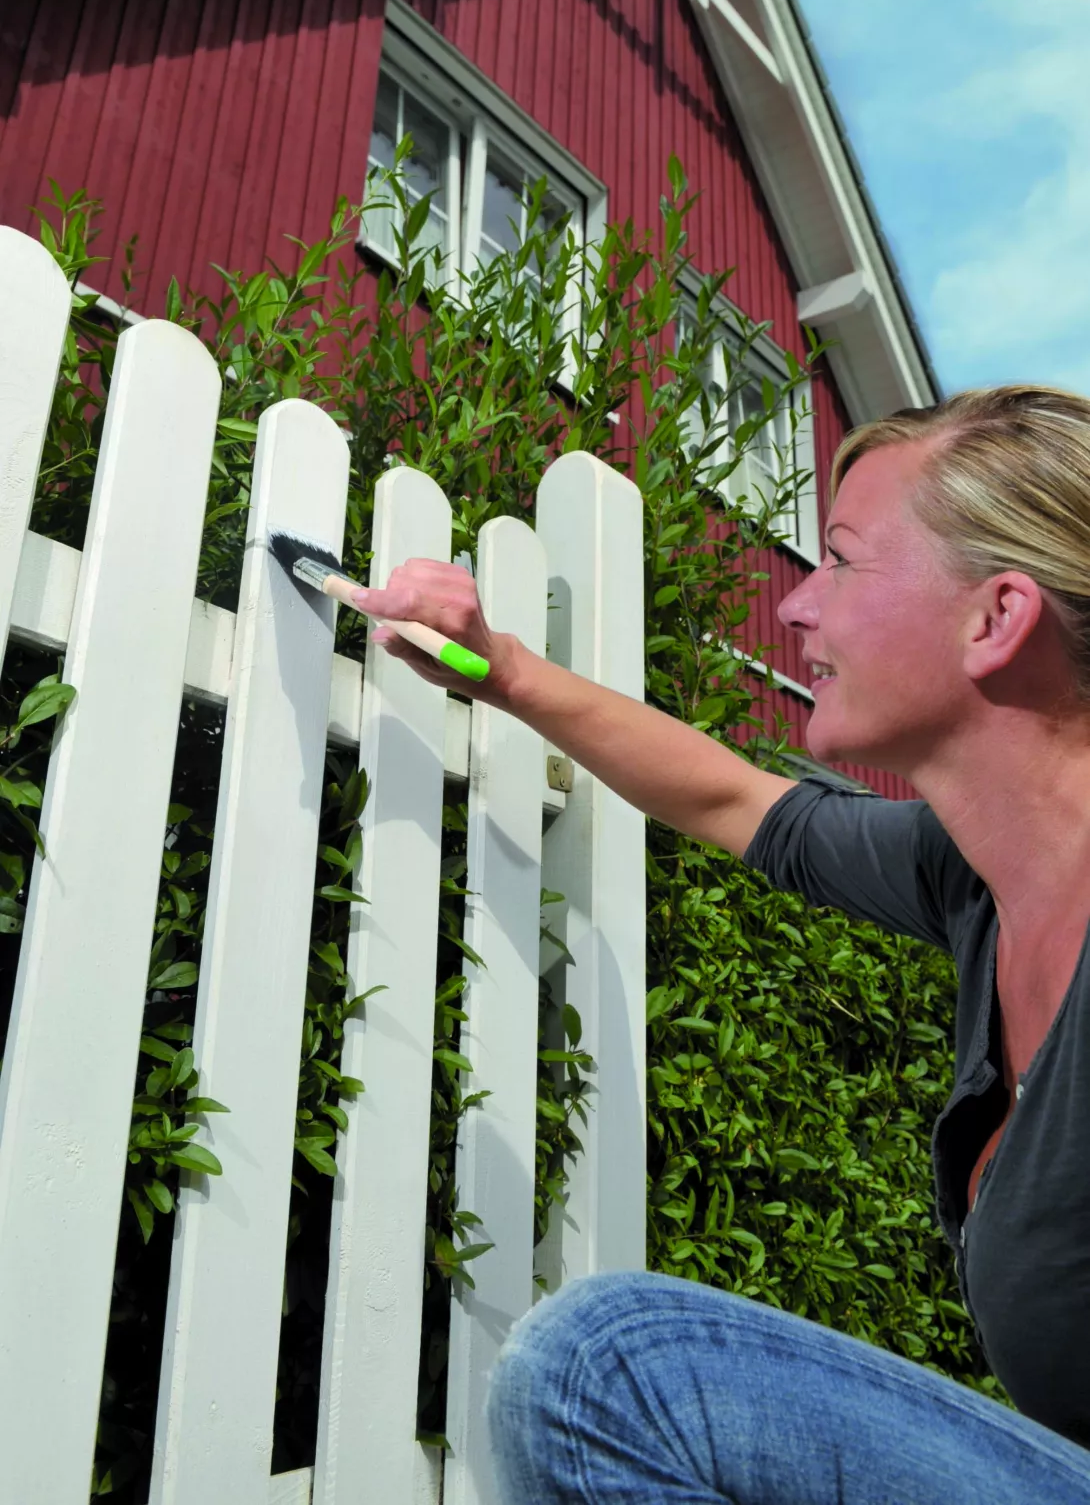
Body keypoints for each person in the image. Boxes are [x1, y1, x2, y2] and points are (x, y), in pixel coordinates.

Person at [353, 386, 1090, 1503]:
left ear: (995, 618)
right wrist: (497, 668)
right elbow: (738, 804)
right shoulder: (971, 883)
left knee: (615, 1368)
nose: (797, 606)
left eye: (841, 561)